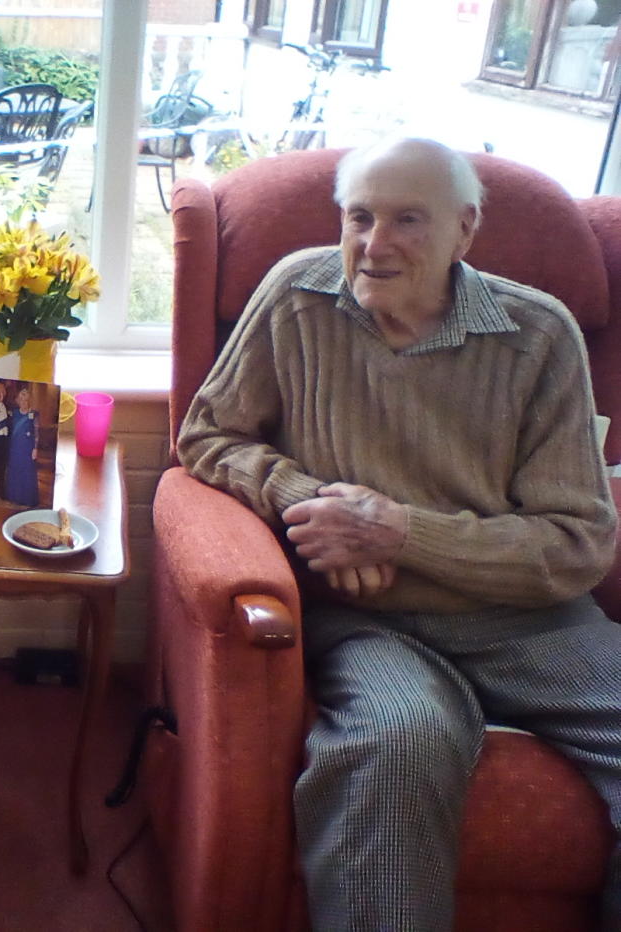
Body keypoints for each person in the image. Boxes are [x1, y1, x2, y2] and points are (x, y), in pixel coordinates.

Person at [177, 136, 621, 931]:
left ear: (466, 230)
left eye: (407, 220)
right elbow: (207, 436)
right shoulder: (296, 298)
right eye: (359, 217)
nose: (374, 246)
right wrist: (311, 504)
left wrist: (396, 533)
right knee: (398, 743)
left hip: (528, 619)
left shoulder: (541, 334)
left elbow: (579, 542)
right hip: (368, 622)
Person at [5, 386, 40, 507]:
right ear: (18, 400)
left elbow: (36, 432)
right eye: (21, 399)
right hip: (15, 447)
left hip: (27, 448)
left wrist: (35, 448)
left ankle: (27, 498)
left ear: (29, 400)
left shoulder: (34, 414)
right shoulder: (13, 413)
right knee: (15, 470)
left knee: (27, 471)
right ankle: (14, 496)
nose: (23, 402)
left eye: (26, 399)